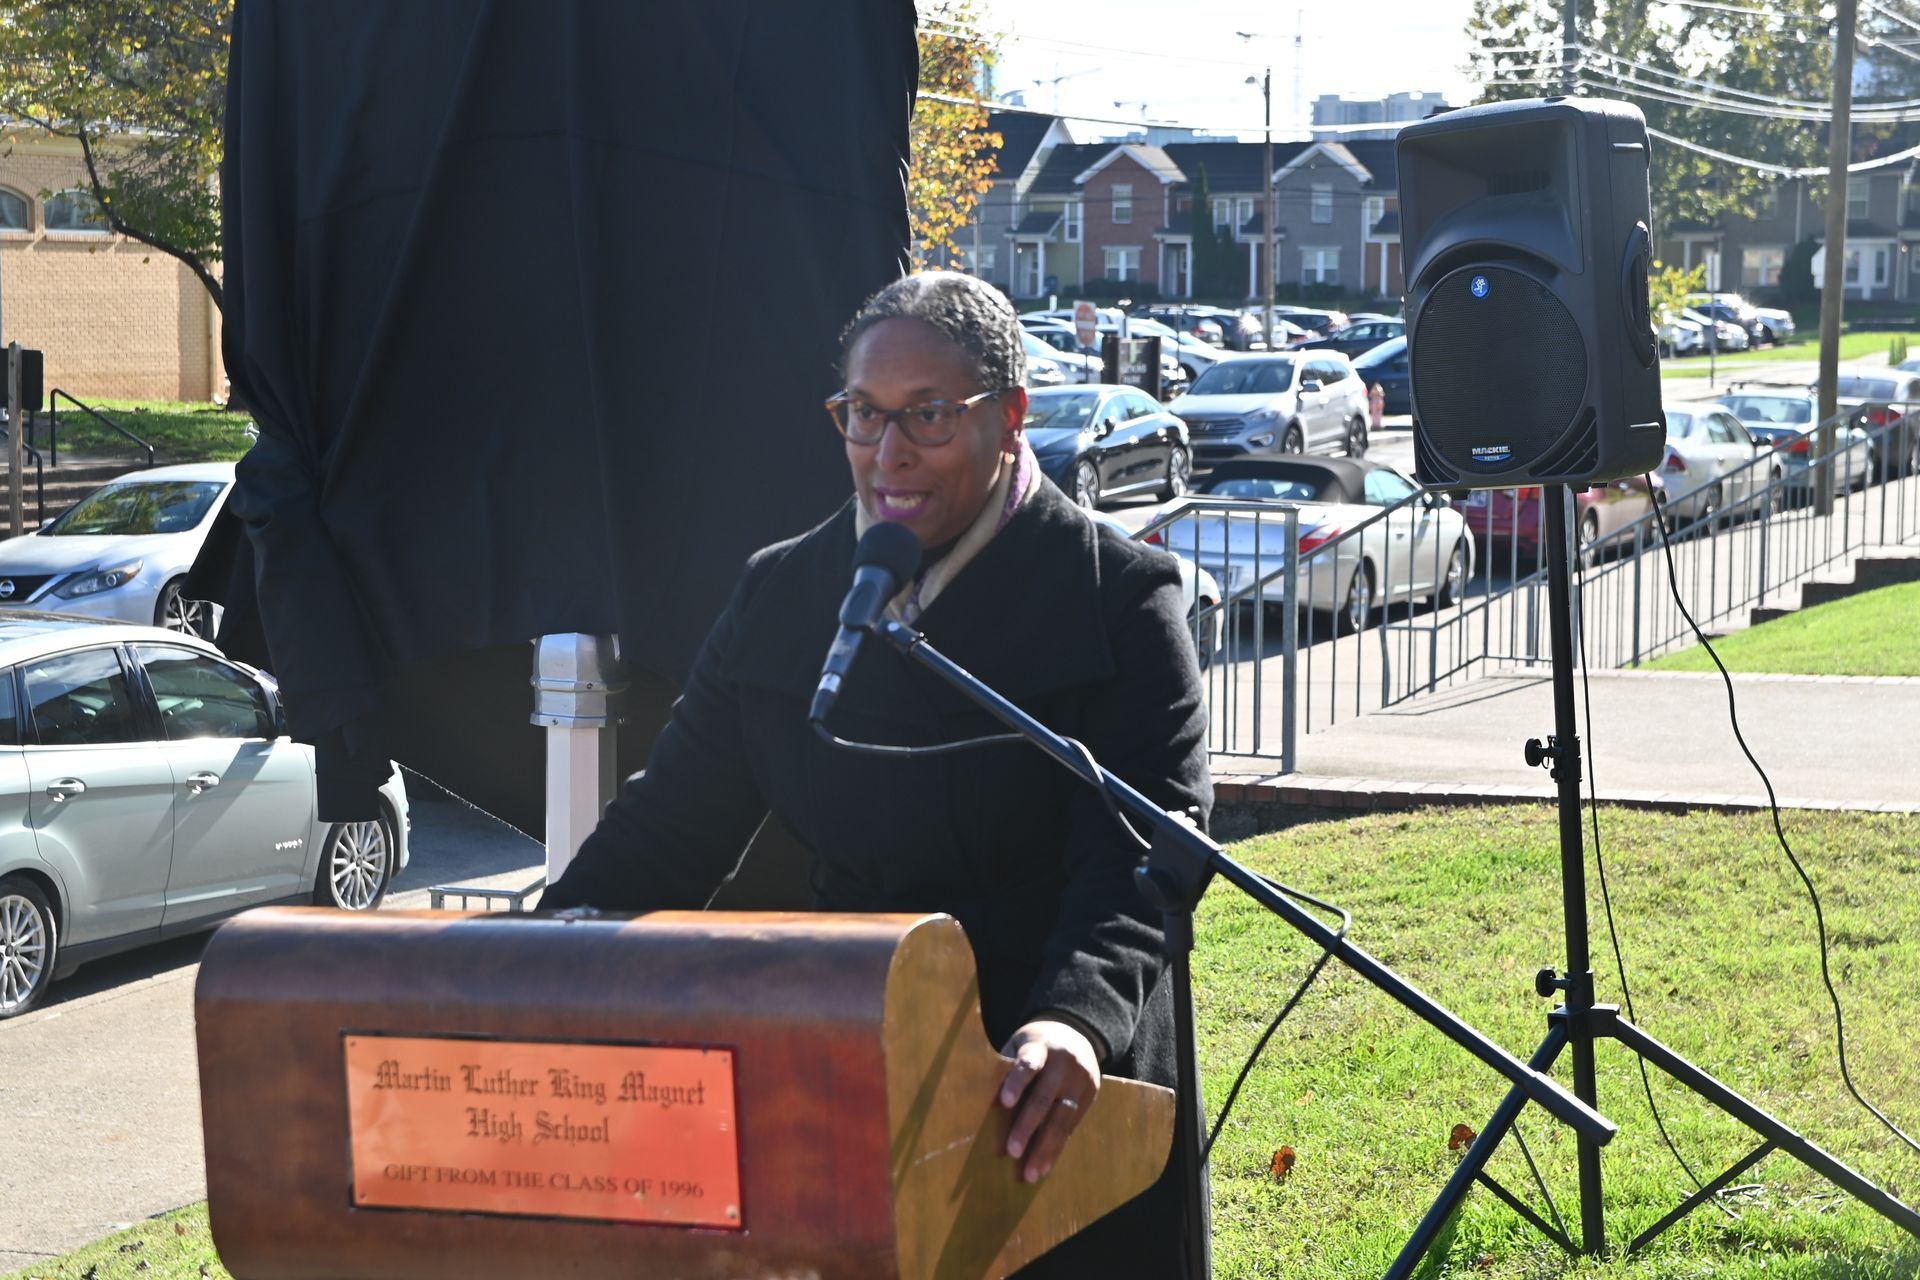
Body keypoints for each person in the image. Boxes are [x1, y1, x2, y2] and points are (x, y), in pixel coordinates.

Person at [540, 271, 1211, 1276]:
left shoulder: (1117, 596)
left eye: (929, 415)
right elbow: (670, 824)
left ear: (1011, 416)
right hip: (860, 1068)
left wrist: (1076, 1019)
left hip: (1058, 1085)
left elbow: (1143, 852)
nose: (889, 453)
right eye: (863, 413)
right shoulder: (783, 593)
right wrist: (534, 954)